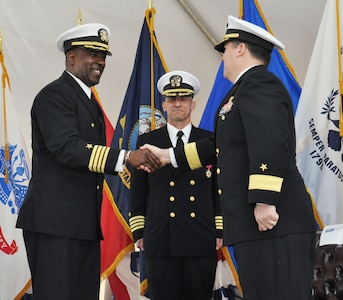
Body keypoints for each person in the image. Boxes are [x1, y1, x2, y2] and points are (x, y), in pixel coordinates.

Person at [142, 16, 316, 300]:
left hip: (274, 222)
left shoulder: (259, 84)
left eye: (225, 49)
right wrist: (168, 155)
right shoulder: (245, 90)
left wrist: (265, 199)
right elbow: (222, 146)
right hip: (259, 226)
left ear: (240, 49)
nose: (222, 56)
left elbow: (270, 141)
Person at [16, 23, 160, 299]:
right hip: (55, 224)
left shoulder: (88, 101)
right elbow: (67, 148)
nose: (100, 62)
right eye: (92, 54)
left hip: (81, 224)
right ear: (72, 57)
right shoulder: (55, 95)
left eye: (103, 56)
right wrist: (127, 156)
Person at [128, 70, 223, 300]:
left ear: (193, 104)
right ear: (164, 104)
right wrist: (139, 230)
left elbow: (218, 190)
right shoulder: (147, 142)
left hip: (200, 236)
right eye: (172, 99)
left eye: (183, 99)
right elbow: (138, 189)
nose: (177, 103)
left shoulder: (209, 141)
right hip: (161, 237)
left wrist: (219, 228)